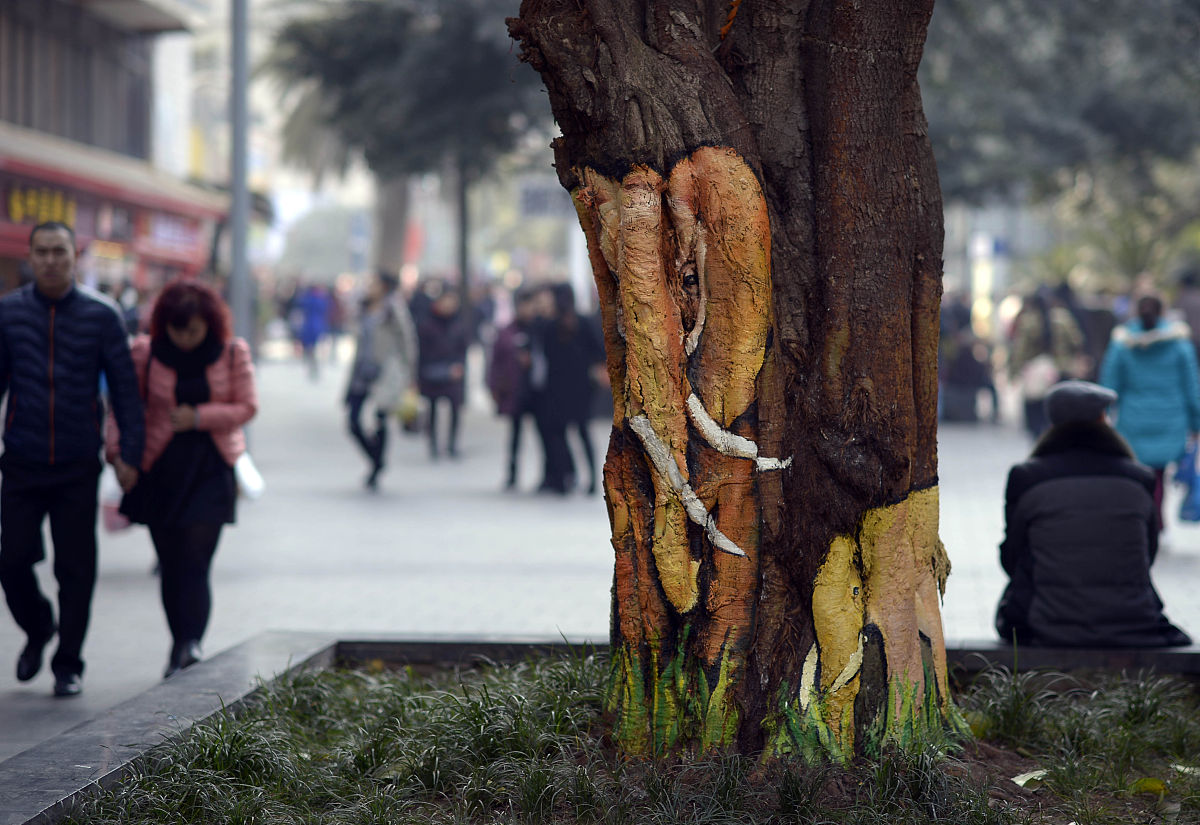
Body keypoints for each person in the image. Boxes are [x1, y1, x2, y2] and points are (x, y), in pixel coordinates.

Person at [0, 221, 145, 697]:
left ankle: (69, 663)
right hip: (21, 461)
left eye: (59, 251)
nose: (50, 260)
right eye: (41, 252)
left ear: (74, 255)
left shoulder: (102, 316)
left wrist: (128, 454)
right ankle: (40, 627)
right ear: (30, 256)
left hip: (78, 463)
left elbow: (125, 391)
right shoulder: (8, 314)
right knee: (13, 560)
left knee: (76, 569)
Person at [106, 279, 257, 678]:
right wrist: (118, 455)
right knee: (171, 563)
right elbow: (125, 408)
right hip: (161, 470)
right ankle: (179, 643)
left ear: (209, 323)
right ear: (164, 325)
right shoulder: (146, 353)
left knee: (195, 562)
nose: (185, 338)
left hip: (211, 467)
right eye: (177, 330)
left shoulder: (231, 353)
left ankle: (191, 644)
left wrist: (200, 417)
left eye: (193, 330)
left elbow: (247, 406)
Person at [995, 381, 1191, 648]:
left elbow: (1011, 559)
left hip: (1044, 623)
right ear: (1102, 419)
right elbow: (1147, 557)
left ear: (1053, 422)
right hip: (1133, 621)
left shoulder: (1026, 477)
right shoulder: (1140, 478)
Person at [1100, 293, 1200, 532]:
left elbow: (1109, 384)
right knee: (1159, 473)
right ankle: (1157, 518)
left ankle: (1143, 517)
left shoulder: (1122, 344)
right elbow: (1191, 387)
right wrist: (1196, 422)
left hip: (1133, 420)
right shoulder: (1180, 345)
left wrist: (1101, 415)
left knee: (1138, 472)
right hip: (1170, 420)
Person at [344, 271, 418, 489]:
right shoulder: (364, 307)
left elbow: (407, 342)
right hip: (361, 372)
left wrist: (409, 375)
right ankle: (375, 458)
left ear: (384, 286)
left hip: (386, 374)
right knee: (353, 422)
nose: (370, 287)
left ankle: (377, 466)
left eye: (374, 283)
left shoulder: (393, 309)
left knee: (380, 419)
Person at [1007, 290, 1087, 439]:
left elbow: (1020, 350)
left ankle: (1041, 443)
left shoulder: (1028, 321)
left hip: (1036, 375)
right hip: (1062, 370)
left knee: (1036, 415)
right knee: (1059, 414)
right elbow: (1077, 341)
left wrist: (1014, 372)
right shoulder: (1062, 318)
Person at [488, 287, 538, 489]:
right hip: (515, 390)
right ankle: (512, 473)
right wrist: (494, 388)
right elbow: (495, 362)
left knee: (544, 435)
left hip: (536, 391)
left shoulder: (538, 328)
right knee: (515, 435)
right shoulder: (506, 332)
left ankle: (549, 474)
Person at [416, 284, 469, 459]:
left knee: (455, 409)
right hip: (431, 371)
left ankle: (452, 444)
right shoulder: (427, 324)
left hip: (453, 372)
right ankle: (433, 444)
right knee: (432, 409)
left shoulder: (459, 324)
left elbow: (463, 349)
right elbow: (421, 351)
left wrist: (459, 366)